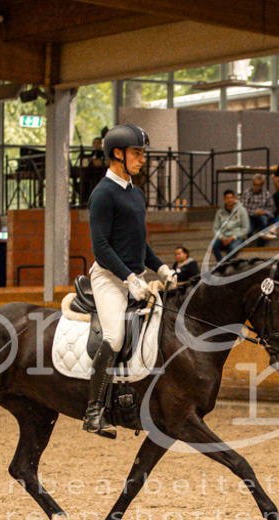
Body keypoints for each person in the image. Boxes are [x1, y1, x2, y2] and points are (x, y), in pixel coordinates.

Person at [84, 124, 177, 437]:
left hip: (133, 276)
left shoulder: (135, 193)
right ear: (117, 154)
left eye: (142, 153)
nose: (142, 159)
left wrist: (161, 268)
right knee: (115, 336)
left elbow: (139, 244)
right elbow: (101, 248)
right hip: (109, 277)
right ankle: (93, 412)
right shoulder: (102, 194)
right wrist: (127, 278)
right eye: (137, 153)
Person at [211, 189, 250, 262]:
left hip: (237, 237)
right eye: (227, 198)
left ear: (234, 198)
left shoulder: (241, 210)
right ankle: (221, 264)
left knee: (233, 247)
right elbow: (215, 228)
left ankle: (225, 264)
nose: (229, 200)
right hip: (224, 237)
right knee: (214, 246)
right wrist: (221, 237)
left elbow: (246, 228)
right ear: (224, 199)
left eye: (231, 197)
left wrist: (233, 237)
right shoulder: (220, 212)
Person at [240, 174, 276, 246]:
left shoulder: (266, 193)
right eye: (255, 184)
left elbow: (272, 208)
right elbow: (243, 208)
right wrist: (254, 212)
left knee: (264, 219)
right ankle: (248, 242)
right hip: (250, 216)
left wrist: (264, 212)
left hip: (262, 215)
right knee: (249, 229)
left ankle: (261, 244)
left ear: (262, 185)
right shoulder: (247, 193)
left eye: (258, 185)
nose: (256, 186)